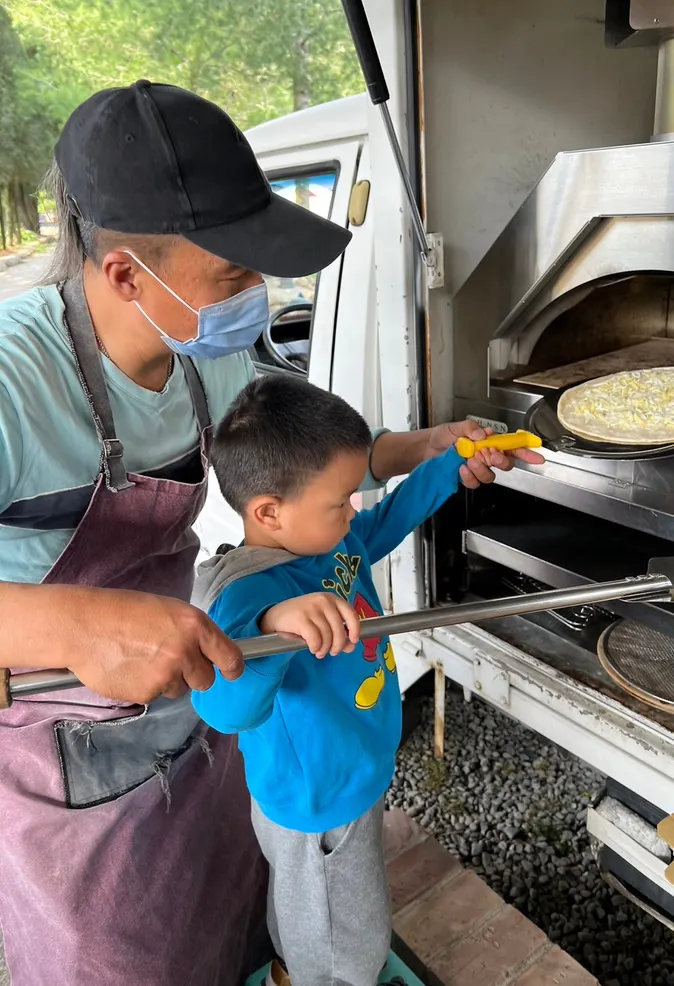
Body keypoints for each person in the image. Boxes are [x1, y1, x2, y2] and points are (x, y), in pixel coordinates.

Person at [0, 80, 542, 986]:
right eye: (233, 274)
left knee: (229, 911)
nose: (257, 294)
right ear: (128, 273)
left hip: (198, 675)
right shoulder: (14, 382)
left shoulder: (202, 352)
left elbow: (320, 474)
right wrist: (75, 625)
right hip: (56, 721)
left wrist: (428, 452)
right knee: (115, 952)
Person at [190, 375, 503, 986]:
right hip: (319, 801)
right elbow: (225, 709)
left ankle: (292, 967)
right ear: (268, 512)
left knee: (312, 916)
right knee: (346, 947)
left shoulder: (328, 539)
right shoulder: (246, 591)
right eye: (340, 501)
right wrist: (275, 625)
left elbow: (390, 516)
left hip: (350, 766)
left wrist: (452, 464)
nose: (353, 510)